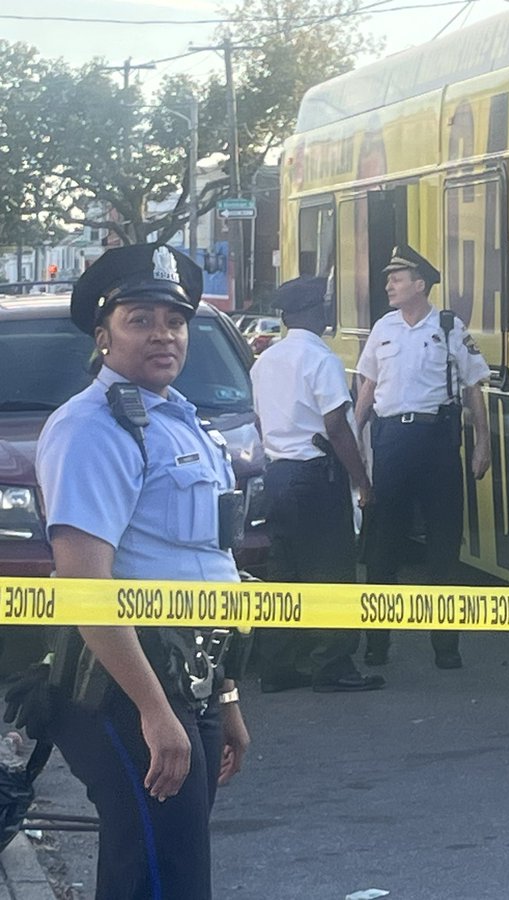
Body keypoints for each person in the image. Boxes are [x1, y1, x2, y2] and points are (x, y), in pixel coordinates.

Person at [34, 244, 251, 900]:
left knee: (167, 870)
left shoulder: (185, 424)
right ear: (102, 338)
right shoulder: (93, 429)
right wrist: (155, 711)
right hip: (125, 689)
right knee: (161, 877)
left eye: (175, 319)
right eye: (140, 319)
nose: (163, 333)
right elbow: (84, 583)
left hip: (194, 678)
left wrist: (227, 696)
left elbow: (212, 567)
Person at [355, 245, 491, 669]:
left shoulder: (449, 326)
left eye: (397, 278)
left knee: (443, 549)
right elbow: (367, 390)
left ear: (420, 284)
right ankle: (377, 644)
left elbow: (473, 389)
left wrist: (483, 442)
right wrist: (350, 435)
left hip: (437, 443)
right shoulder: (383, 328)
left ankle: (446, 646)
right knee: (383, 548)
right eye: (389, 278)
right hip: (392, 441)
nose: (389, 285)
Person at [250, 276, 383, 693]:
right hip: (315, 474)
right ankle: (333, 664)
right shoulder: (321, 359)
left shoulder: (265, 361)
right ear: (313, 313)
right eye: (323, 307)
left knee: (283, 572)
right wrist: (362, 480)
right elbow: (336, 426)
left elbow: (258, 420)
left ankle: (279, 664)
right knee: (332, 571)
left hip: (277, 474)